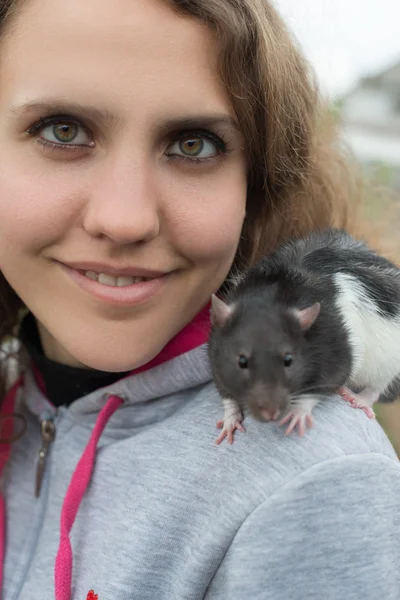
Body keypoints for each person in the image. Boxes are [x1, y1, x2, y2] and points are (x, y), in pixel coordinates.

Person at [0, 0, 399, 598]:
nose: (126, 219)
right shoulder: (19, 390)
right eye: (63, 130)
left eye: (193, 145)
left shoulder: (312, 480)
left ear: (256, 189)